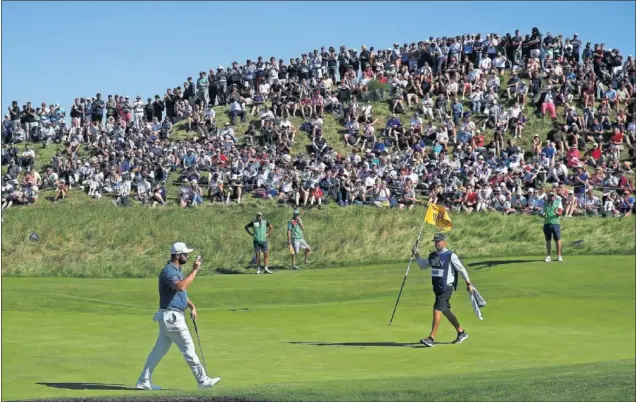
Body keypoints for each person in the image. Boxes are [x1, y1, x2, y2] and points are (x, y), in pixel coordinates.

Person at [136, 242, 221, 390]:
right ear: (177, 255)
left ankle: (143, 380)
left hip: (169, 317)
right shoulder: (168, 271)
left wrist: (191, 305)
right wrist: (195, 270)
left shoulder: (176, 270)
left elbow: (179, 292)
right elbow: (181, 286)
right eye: (185, 254)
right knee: (188, 349)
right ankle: (203, 381)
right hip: (172, 318)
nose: (187, 256)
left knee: (158, 351)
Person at [413, 233, 473, 348]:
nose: (437, 243)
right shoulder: (432, 256)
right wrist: (416, 254)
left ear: (445, 241)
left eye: (439, 241)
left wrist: (468, 283)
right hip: (437, 289)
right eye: (435, 241)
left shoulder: (450, 255)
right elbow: (422, 265)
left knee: (437, 310)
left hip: (446, 288)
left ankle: (431, 338)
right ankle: (461, 332)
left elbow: (462, 269)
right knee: (445, 310)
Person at [542, 188, 564, 262]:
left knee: (557, 240)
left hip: (555, 223)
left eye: (552, 196)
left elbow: (560, 213)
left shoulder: (558, 202)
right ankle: (548, 256)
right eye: (550, 196)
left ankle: (559, 255)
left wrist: (556, 213)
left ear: (554, 196)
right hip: (547, 223)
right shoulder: (545, 203)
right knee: (548, 240)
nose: (551, 197)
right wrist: (542, 215)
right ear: (548, 196)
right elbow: (542, 212)